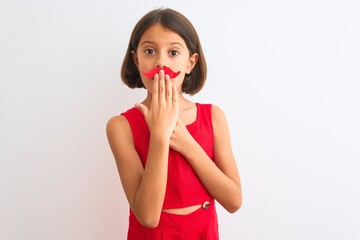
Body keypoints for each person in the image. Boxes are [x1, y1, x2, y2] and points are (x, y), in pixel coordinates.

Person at [106, 8, 242, 240]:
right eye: (150, 51)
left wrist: (187, 144)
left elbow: (234, 201)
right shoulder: (121, 126)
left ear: (191, 62)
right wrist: (159, 135)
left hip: (203, 233)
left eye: (173, 52)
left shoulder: (214, 117)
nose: (161, 61)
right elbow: (148, 216)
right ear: (136, 60)